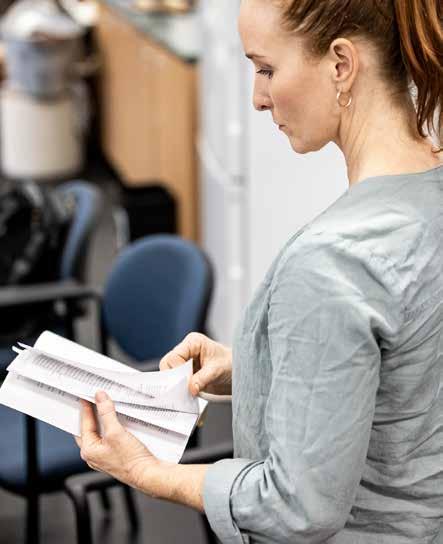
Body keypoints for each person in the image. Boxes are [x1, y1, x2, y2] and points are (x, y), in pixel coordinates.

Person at [75, 0, 443, 542]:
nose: (257, 97)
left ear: (341, 64)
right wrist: (258, 365)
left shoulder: (332, 261)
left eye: (267, 69)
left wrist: (148, 472)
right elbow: (404, 387)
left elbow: (295, 506)